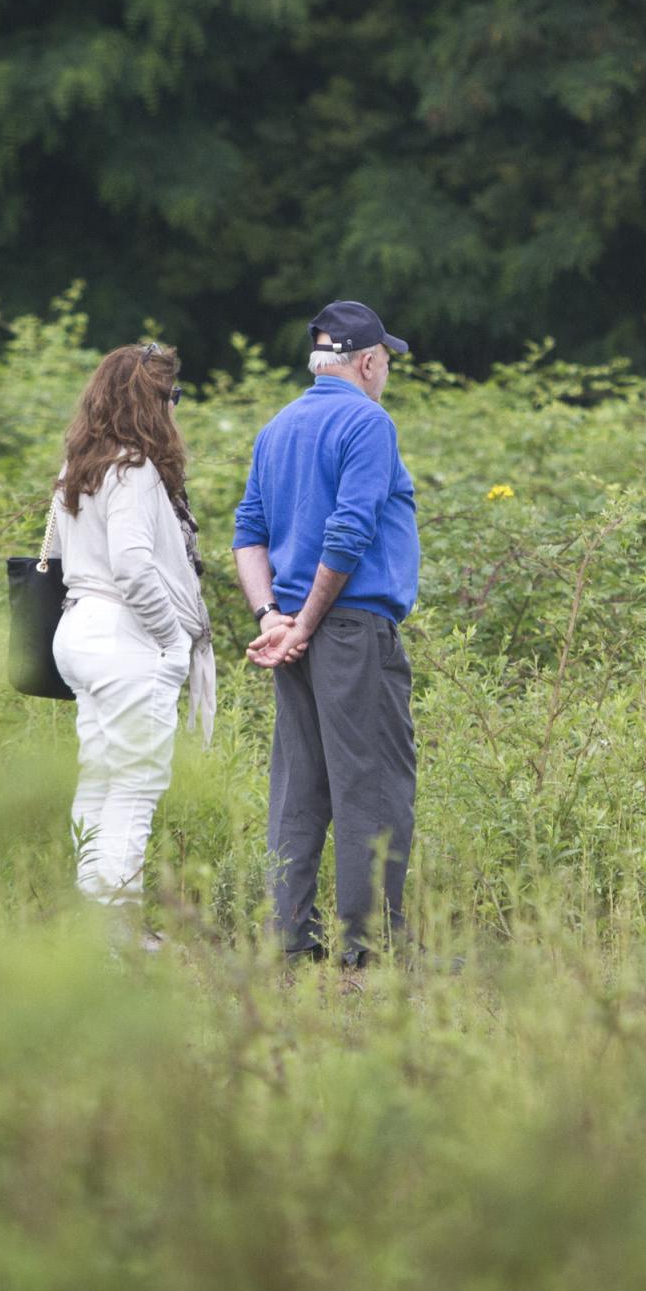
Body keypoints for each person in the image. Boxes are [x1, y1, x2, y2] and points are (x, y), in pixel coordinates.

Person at [232, 300, 420, 967]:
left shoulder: (278, 426)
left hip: (294, 633)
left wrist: (272, 619)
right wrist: (306, 622)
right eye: (386, 360)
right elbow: (349, 530)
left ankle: (289, 935)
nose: (386, 372)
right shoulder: (368, 421)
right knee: (374, 781)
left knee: (300, 784)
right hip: (348, 629)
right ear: (367, 362)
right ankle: (369, 946)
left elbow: (248, 531)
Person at [50, 342, 217, 941]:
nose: (175, 408)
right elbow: (132, 564)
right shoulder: (134, 470)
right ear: (153, 401)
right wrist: (171, 640)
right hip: (125, 635)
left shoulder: (78, 466)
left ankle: (95, 923)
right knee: (135, 787)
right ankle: (115, 934)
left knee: (99, 779)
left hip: (79, 629)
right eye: (173, 396)